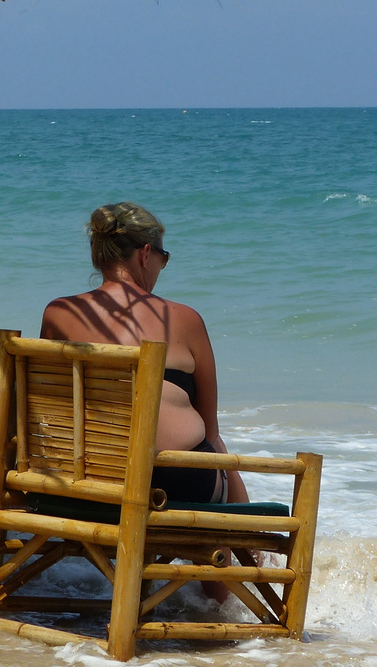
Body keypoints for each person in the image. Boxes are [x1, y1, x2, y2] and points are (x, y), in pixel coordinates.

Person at [41, 201, 249, 506]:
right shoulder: (185, 319)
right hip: (176, 484)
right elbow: (210, 427)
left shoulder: (58, 313)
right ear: (146, 253)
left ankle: (249, 550)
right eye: (163, 259)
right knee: (215, 447)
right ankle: (243, 548)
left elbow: (50, 402)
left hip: (86, 482)